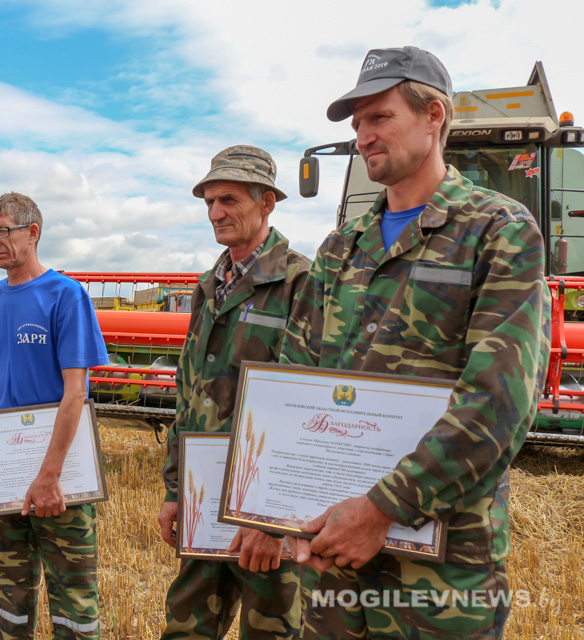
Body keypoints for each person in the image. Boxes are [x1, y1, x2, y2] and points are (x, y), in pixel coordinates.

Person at [279, 46, 549, 639]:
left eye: (379, 118)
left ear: (435, 117)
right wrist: (274, 502)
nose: (363, 137)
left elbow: (498, 402)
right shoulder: (339, 248)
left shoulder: (499, 232)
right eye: (357, 125)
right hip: (331, 559)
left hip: (440, 570)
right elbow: (295, 379)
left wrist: (382, 508)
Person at [157, 146, 310, 639]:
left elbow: (307, 410)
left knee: (271, 630)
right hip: (205, 500)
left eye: (229, 199)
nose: (215, 212)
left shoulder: (301, 282)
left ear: (268, 202)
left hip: (265, 510)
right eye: (208, 200)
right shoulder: (208, 287)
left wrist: (274, 521)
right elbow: (188, 396)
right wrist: (176, 491)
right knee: (184, 628)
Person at [0, 192, 108, 639]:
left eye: (2, 231)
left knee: (72, 593)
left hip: (58, 470)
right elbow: (0, 382)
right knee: (11, 590)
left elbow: (75, 394)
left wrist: (50, 475)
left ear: (32, 232)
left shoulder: (66, 296)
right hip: (7, 469)